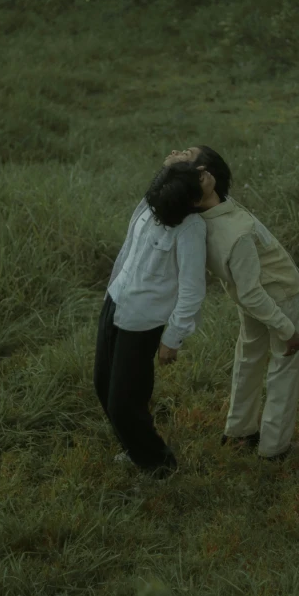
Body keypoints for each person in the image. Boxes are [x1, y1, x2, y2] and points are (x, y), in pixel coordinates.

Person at [164, 147, 299, 462]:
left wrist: (175, 166)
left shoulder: (205, 220)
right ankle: (274, 447)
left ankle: (239, 430)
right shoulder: (235, 234)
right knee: (284, 366)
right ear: (194, 194)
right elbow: (255, 293)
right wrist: (286, 328)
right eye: (196, 173)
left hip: (249, 298)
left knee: (249, 357)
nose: (201, 169)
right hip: (277, 298)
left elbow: (247, 292)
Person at [93, 162, 208, 479]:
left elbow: (192, 289)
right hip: (116, 300)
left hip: (143, 320)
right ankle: (135, 450)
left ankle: (160, 466)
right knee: (102, 384)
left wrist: (173, 338)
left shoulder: (190, 228)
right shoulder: (156, 198)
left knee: (124, 401)